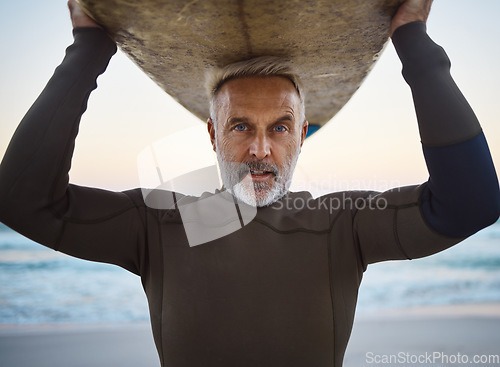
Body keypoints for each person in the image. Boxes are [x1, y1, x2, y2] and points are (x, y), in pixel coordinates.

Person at [0, 0, 498, 366]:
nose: (261, 149)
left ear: (302, 135)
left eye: (279, 127)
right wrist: (87, 52)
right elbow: (25, 201)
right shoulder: (162, 225)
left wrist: (413, 39)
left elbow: (470, 202)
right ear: (213, 134)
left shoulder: (340, 226)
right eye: (241, 126)